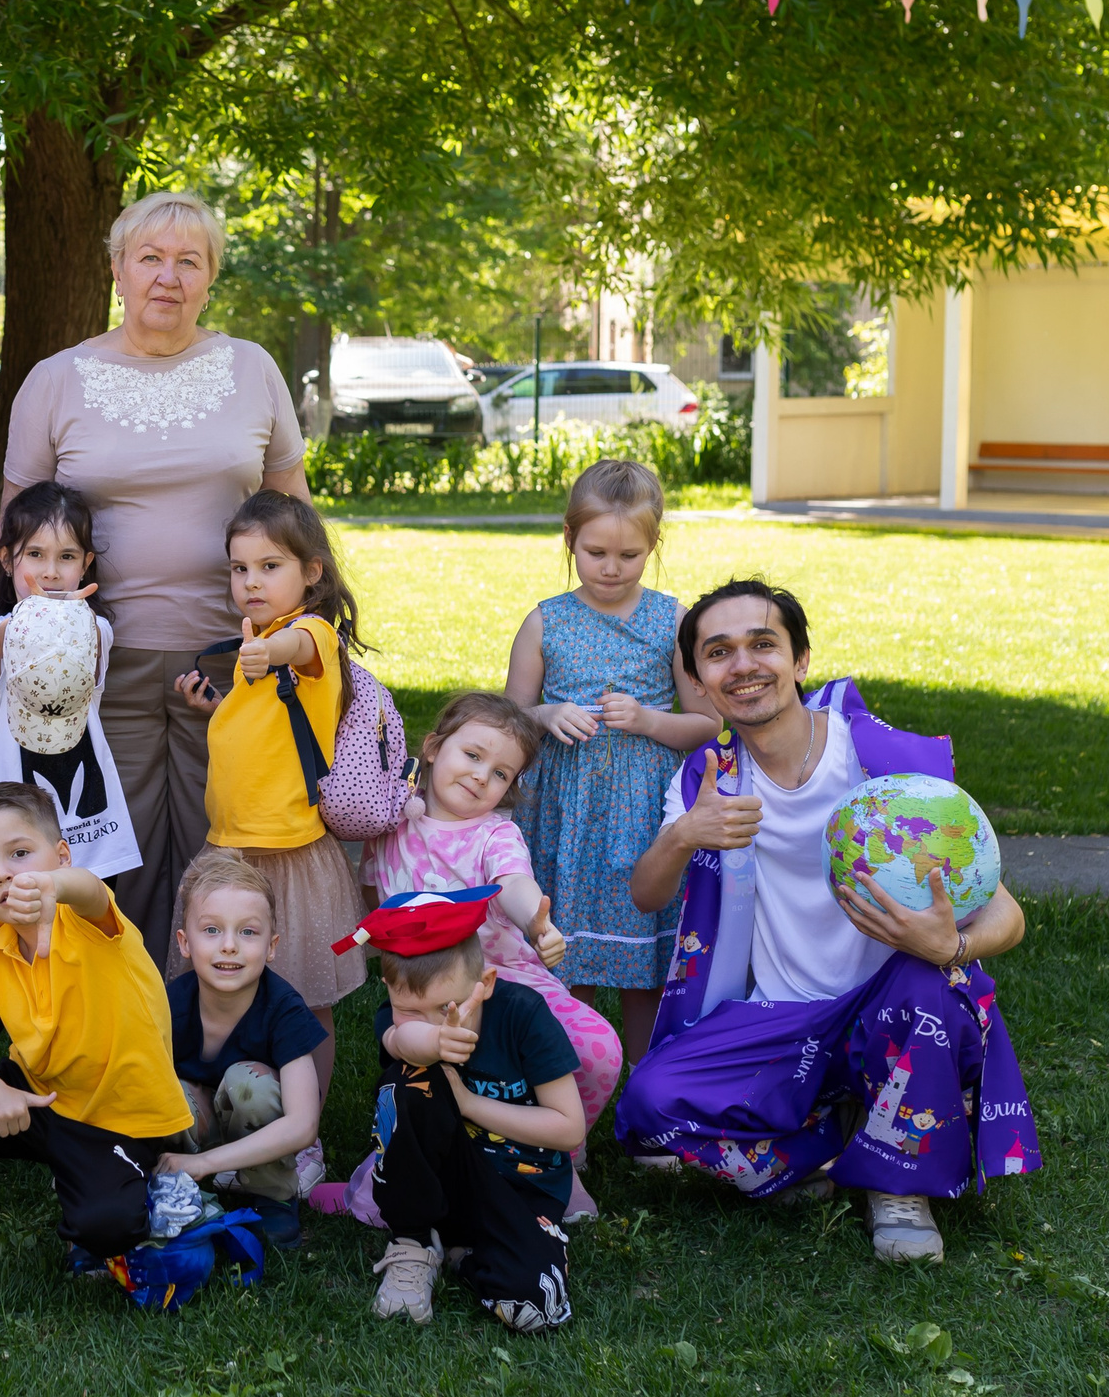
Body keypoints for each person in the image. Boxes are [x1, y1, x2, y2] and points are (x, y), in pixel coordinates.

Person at [613, 578, 1042, 1265]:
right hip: (781, 1015)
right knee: (650, 1103)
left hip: (892, 1008)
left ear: (801, 659)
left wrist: (952, 942)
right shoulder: (709, 776)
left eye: (763, 644)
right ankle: (823, 1147)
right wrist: (685, 833)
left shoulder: (878, 760)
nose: (744, 665)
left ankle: (898, 1187)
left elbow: (1006, 911)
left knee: (927, 986)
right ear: (699, 681)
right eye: (718, 653)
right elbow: (646, 895)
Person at [1, 191, 311, 968]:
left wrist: (312, 634)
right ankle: (123, 1027)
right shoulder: (56, 379)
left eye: (189, 262)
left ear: (211, 279)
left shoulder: (252, 368)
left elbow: (295, 518)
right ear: (116, 270)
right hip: (100, 664)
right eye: (150, 258)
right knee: (117, 856)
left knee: (230, 854)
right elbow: (19, 533)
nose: (167, 278)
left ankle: (225, 1042)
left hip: (239, 659)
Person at [0, 783, 193, 1321]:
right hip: (36, 1099)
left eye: (19, 854)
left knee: (107, 1228)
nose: (1, 873)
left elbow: (90, 889)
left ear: (61, 856)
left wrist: (52, 887)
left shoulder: (89, 919)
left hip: (116, 1120)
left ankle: (110, 1201)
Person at [360, 692, 623, 1223]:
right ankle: (413, 1158)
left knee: (599, 1053)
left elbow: (512, 882)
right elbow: (372, 898)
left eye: (502, 773)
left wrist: (536, 921)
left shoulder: (495, 833)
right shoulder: (389, 829)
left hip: (508, 980)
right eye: (473, 756)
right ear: (433, 747)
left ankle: (555, 1155)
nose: (483, 777)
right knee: (424, 1077)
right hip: (425, 997)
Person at [504, 460, 719, 1065]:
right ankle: (567, 1090)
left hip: (642, 818)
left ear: (653, 547)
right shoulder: (547, 621)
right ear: (569, 539)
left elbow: (708, 725)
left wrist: (650, 719)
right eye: (595, 551)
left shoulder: (672, 620)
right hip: (564, 816)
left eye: (630, 555)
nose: (610, 568)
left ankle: (646, 1098)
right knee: (563, 956)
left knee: (645, 964)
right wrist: (545, 716)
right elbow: (509, 721)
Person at [174, 492, 368, 1060]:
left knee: (305, 1003)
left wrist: (269, 651)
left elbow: (298, 645)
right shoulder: (257, 642)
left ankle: (304, 1135)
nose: (251, 582)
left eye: (270, 567)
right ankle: (245, 1106)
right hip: (230, 846)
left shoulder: (309, 636)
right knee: (231, 989)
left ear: (312, 573)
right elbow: (267, 728)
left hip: (288, 851)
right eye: (240, 569)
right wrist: (217, 707)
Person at [356, 892, 583, 1335]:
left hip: (523, 1189)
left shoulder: (523, 1015)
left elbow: (569, 1128)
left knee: (534, 1307)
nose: (439, 1025)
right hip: (439, 1182)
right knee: (403, 1082)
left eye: (448, 1008)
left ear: (488, 982)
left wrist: (470, 1104)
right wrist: (419, 1039)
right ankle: (414, 1242)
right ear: (388, 991)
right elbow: (399, 1041)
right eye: (410, 1011)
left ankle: (463, 1254)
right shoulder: (395, 1024)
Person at [0, 480, 139, 880]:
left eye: (66, 557)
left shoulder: (95, 627)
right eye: (35, 554)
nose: (50, 571)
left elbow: (92, 641)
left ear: (85, 565)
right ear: (7, 559)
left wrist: (62, 617)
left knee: (91, 933)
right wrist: (32, 619)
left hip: (91, 839)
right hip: (13, 834)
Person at [157, 851, 326, 1248]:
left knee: (249, 1083)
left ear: (272, 946)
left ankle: (272, 1195)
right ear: (184, 942)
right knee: (165, 1088)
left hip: (253, 1126)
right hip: (192, 1130)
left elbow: (304, 1125)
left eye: (248, 932)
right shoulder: (166, 1006)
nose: (229, 946)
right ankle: (179, 1188)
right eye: (211, 930)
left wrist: (205, 1163)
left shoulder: (283, 1008)